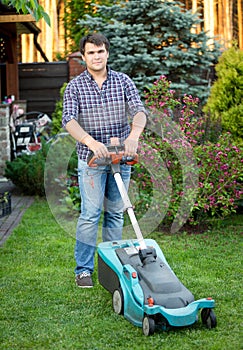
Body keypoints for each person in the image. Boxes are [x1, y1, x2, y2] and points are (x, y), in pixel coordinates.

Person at [62, 33, 146, 288]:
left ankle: (114, 265)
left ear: (107, 53)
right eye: (91, 52)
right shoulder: (75, 87)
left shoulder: (123, 81)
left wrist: (133, 136)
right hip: (91, 162)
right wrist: (91, 142)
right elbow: (69, 120)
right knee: (90, 215)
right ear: (84, 56)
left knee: (115, 215)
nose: (96, 56)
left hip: (120, 158)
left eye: (100, 51)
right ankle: (83, 270)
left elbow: (139, 110)